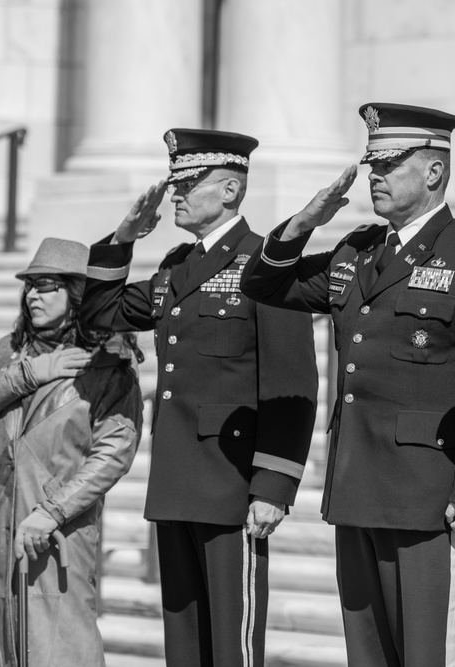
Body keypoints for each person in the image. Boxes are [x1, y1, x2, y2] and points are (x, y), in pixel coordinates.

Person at [240, 103, 455, 667]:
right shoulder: (357, 249)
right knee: (367, 656)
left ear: (434, 173)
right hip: (358, 488)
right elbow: (264, 284)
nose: (374, 175)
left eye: (390, 165)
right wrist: (304, 223)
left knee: (429, 656)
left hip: (430, 497)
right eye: (371, 164)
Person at [81, 129, 318, 667]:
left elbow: (294, 382)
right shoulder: (177, 266)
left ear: (231, 190)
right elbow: (100, 315)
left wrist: (274, 486)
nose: (175, 194)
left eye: (188, 182)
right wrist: (124, 237)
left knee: (231, 647)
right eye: (174, 182)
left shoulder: (266, 264)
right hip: (177, 479)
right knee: (184, 645)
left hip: (233, 482)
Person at [0, 238, 143, 667]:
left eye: (46, 285)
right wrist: (25, 375)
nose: (32, 294)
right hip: (1, 524)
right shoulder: (12, 350)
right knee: (5, 647)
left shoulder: (108, 362)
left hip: (59, 531)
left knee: (61, 645)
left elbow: (114, 451)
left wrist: (53, 510)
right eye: (29, 285)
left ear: (77, 293)